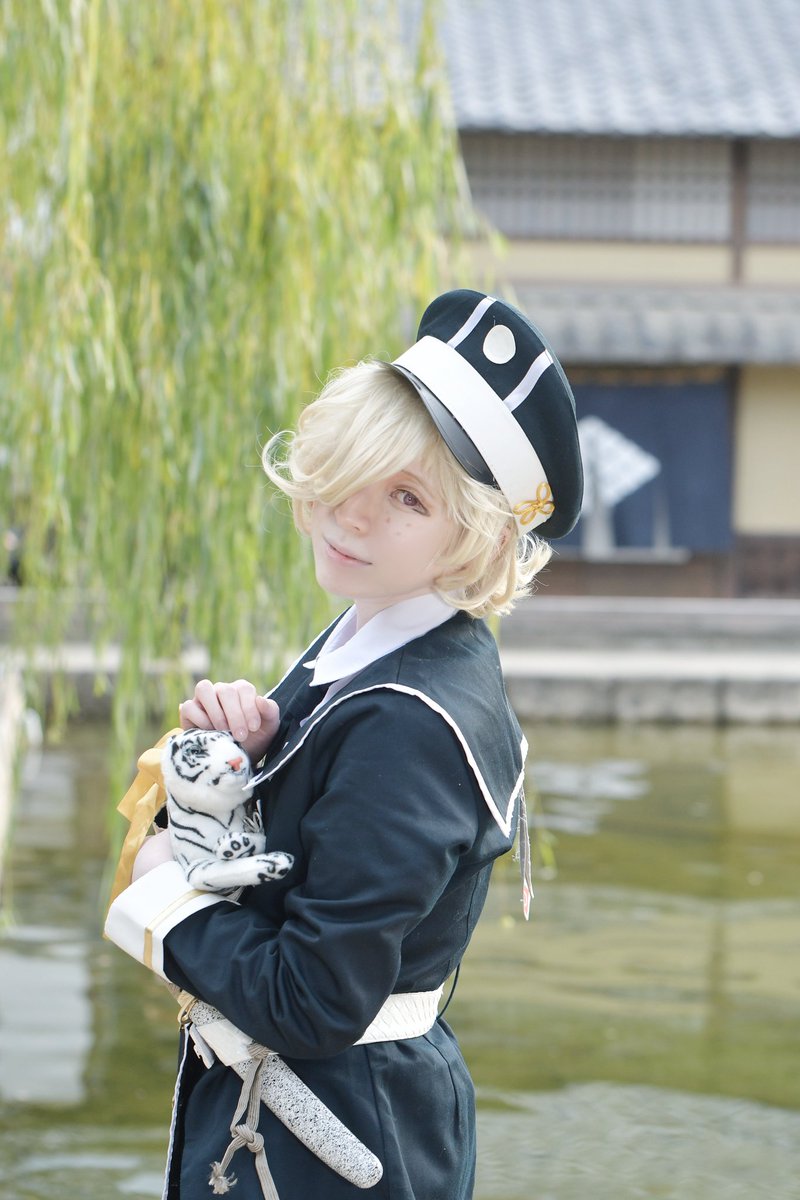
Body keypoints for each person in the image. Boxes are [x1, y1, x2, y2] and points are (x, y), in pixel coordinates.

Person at [105, 289, 583, 1199]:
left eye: (406, 497)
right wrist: (240, 761)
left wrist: (163, 891)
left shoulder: (410, 719)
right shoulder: (379, 632)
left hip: (333, 1135)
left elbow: (314, 998)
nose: (351, 516)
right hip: (328, 1109)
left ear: (477, 532)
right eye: (350, 471)